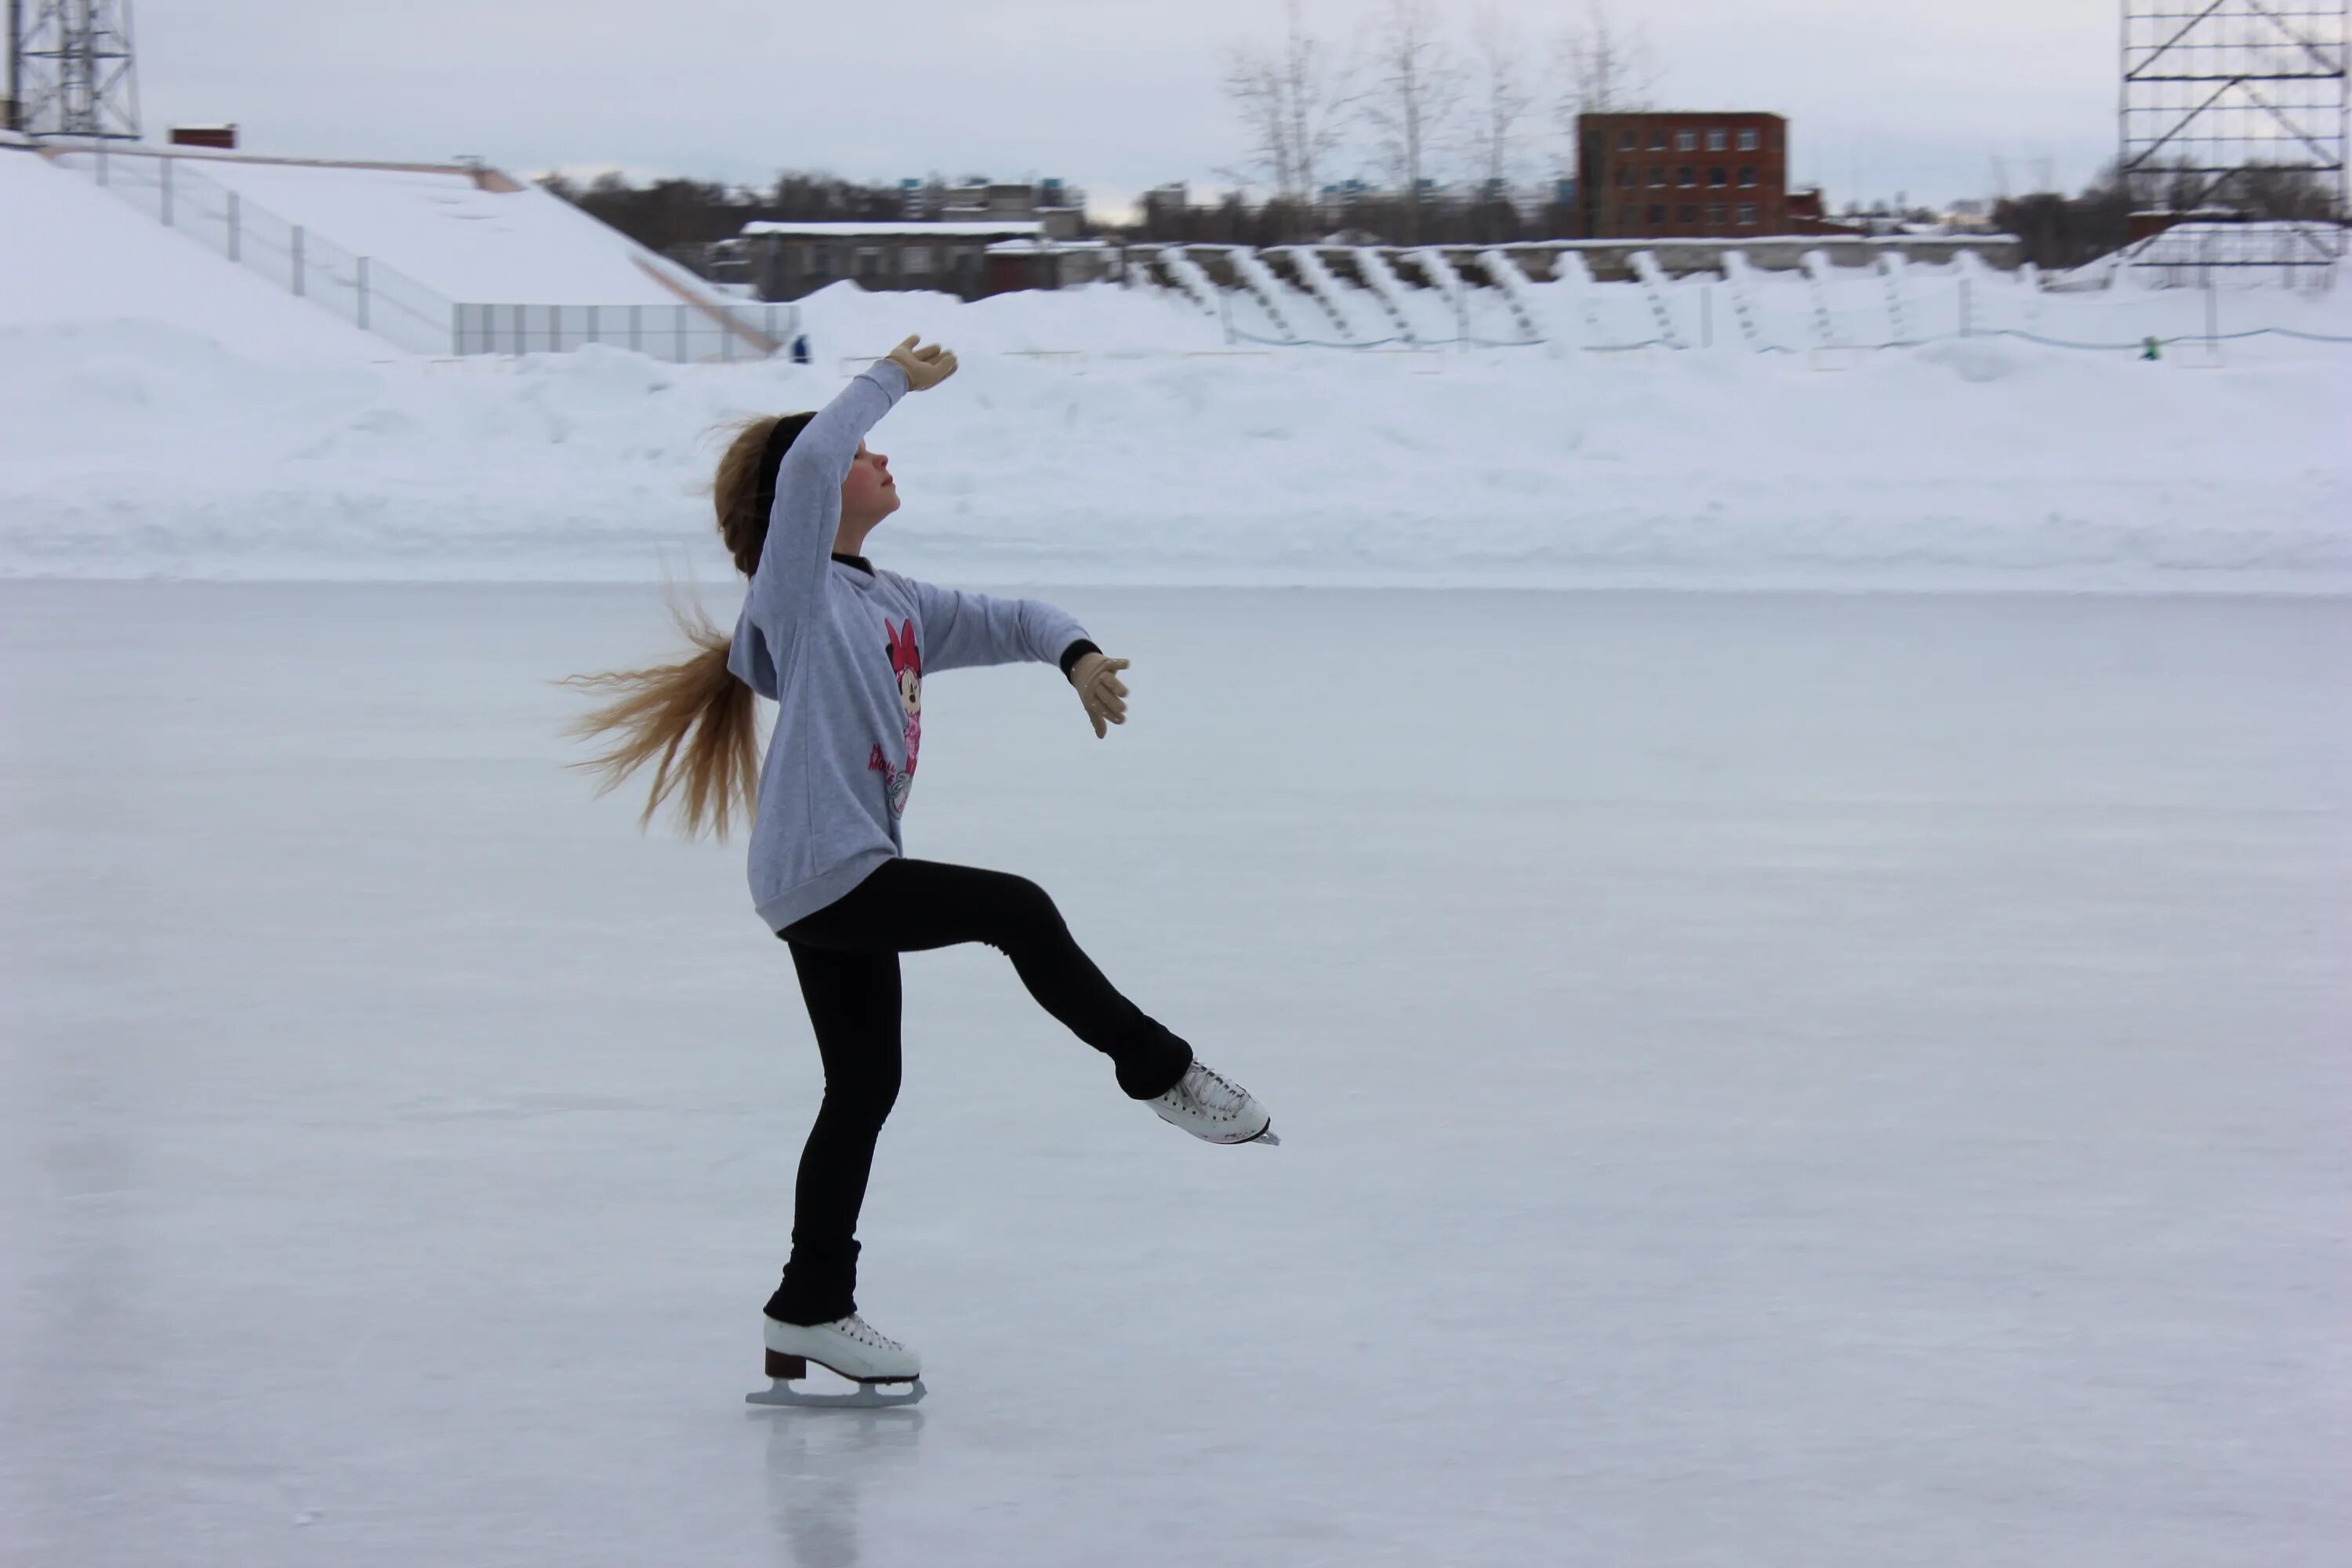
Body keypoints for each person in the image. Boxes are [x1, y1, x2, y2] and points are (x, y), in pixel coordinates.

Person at [566, 336, 1276, 1398]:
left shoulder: (887, 602)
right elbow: (810, 466)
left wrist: (1074, 655)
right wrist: (887, 381)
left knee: (863, 1085)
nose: (876, 457)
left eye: (870, 444)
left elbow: (1015, 617)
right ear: (804, 496)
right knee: (1018, 910)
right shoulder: (791, 596)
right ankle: (1162, 1071)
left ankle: (808, 1307)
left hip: (836, 874)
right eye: (863, 450)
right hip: (829, 870)